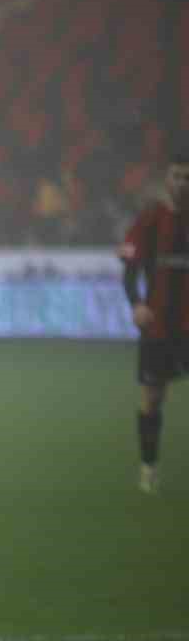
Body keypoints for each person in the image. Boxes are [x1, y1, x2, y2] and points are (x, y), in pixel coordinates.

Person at [120, 153, 189, 494]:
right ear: (167, 180)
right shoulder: (151, 219)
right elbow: (129, 270)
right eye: (177, 176)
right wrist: (136, 304)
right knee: (152, 397)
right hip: (160, 324)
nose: (182, 183)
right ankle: (149, 468)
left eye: (187, 177)